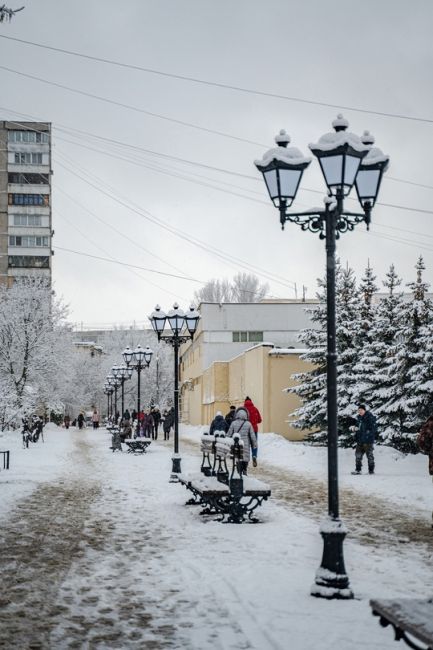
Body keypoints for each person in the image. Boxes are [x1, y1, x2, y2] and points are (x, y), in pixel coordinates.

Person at [227, 407, 257, 475]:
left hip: (236, 444)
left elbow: (229, 434)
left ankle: (239, 471)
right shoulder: (248, 424)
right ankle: (245, 470)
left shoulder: (233, 423)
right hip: (245, 445)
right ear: (246, 415)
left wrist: (227, 441)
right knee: (245, 458)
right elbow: (252, 435)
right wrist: (254, 444)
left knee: (238, 457)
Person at [350, 404, 377, 475]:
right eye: (359, 410)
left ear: (364, 410)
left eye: (361, 410)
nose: (360, 412)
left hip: (368, 441)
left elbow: (373, 428)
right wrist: (354, 428)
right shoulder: (359, 418)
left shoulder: (370, 417)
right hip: (360, 440)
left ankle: (371, 471)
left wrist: (368, 433)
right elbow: (358, 427)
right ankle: (358, 470)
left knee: (369, 456)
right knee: (358, 455)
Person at [243, 397, 262, 467]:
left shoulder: (243, 410)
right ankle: (254, 456)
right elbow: (259, 420)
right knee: (254, 444)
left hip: (246, 430)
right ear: (251, 401)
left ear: (245, 402)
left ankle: (246, 460)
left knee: (246, 445)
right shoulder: (255, 409)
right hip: (254, 430)